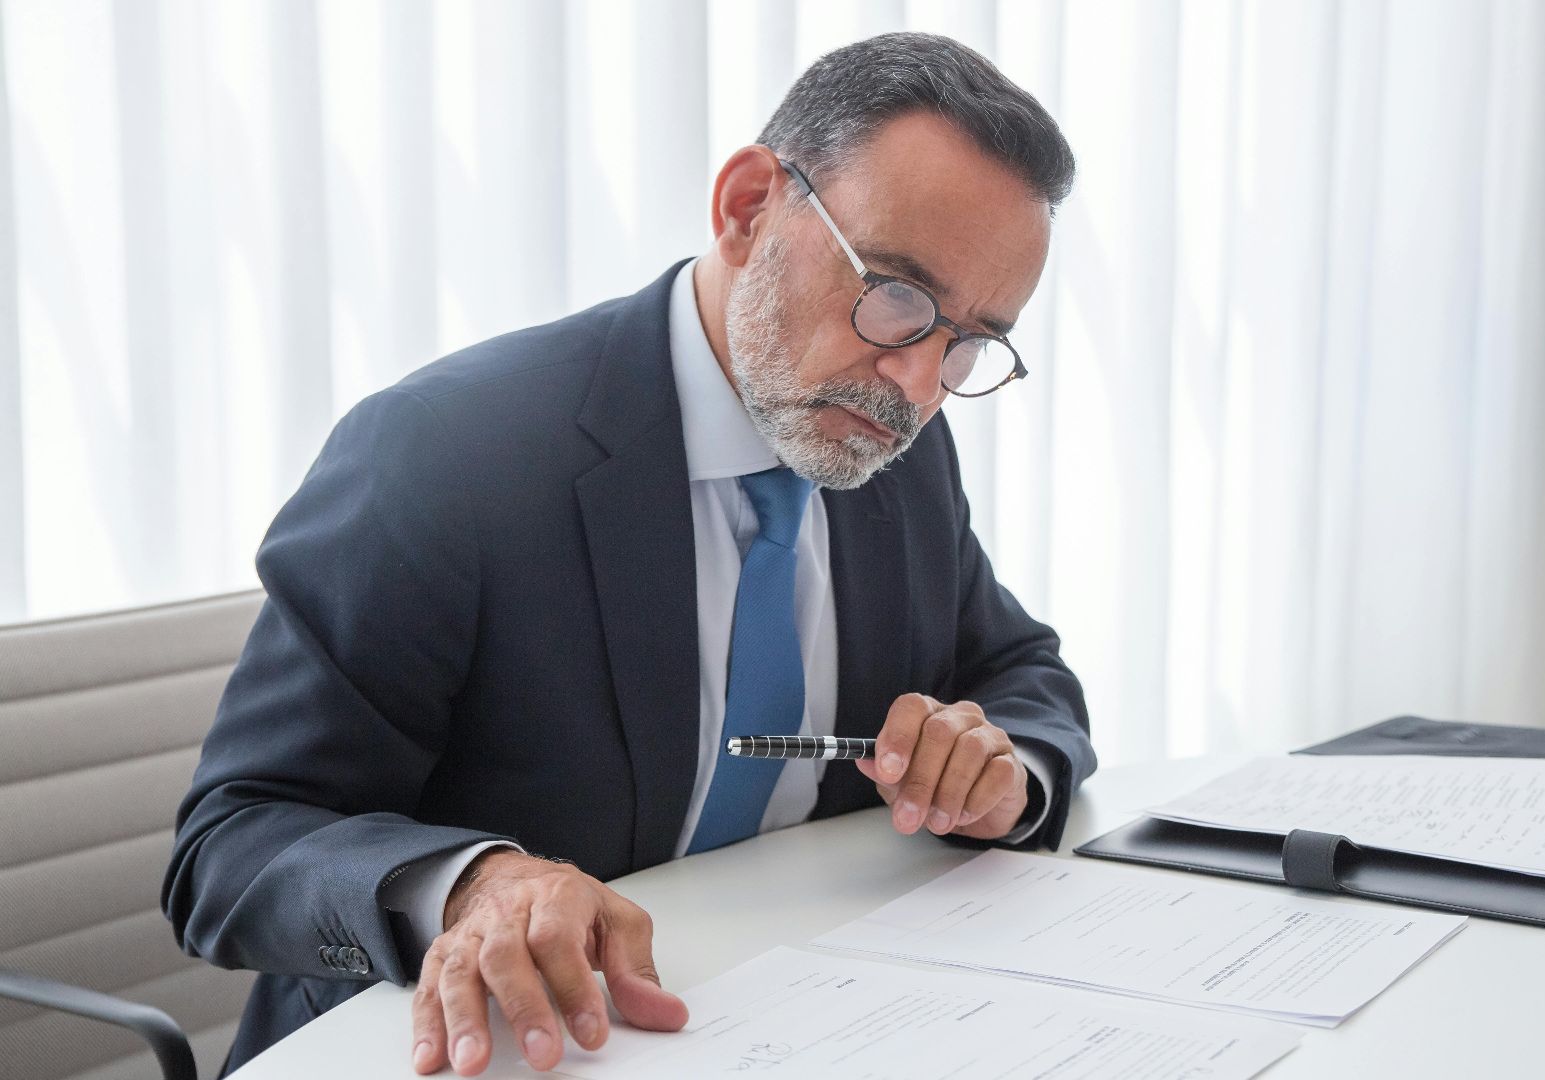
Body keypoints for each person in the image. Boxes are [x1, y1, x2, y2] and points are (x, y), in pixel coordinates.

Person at [163, 31, 1096, 1078]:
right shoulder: (445, 454)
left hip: (802, 1025)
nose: (920, 385)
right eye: (897, 297)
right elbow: (229, 845)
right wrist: (472, 885)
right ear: (749, 209)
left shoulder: (898, 451)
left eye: (969, 341)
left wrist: (1006, 766)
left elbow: (1022, 673)